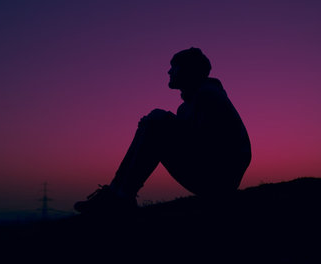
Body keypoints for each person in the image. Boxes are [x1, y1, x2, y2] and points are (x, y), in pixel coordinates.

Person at [74, 48, 251, 214]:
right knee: (153, 123)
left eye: (174, 67)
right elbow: (189, 139)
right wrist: (155, 125)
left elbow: (207, 144)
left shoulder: (208, 96)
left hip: (218, 178)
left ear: (187, 71)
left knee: (155, 121)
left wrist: (160, 122)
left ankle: (120, 195)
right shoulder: (190, 105)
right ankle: (118, 193)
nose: (169, 72)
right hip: (211, 173)